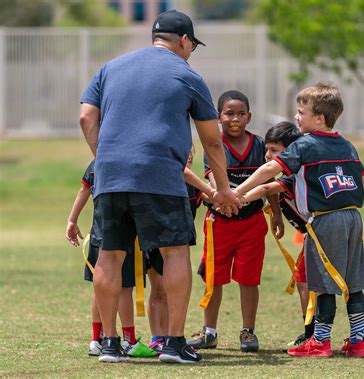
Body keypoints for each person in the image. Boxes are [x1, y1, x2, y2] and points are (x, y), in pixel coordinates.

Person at [79, 9, 241, 364]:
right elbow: (212, 141)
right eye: (190, 46)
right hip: (160, 177)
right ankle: (173, 343)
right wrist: (224, 189)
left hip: (112, 177)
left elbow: (86, 116)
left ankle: (109, 344)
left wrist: (105, 157)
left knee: (110, 254)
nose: (189, 53)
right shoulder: (186, 74)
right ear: (182, 41)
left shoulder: (111, 67)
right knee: (175, 252)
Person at [235, 83, 364, 358]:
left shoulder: (306, 145)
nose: (297, 117)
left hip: (325, 220)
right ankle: (358, 342)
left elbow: (271, 168)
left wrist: (236, 191)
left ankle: (320, 342)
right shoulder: (347, 145)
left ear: (319, 118)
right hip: (353, 217)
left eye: (301, 112)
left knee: (323, 285)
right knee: (353, 282)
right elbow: (362, 178)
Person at [187, 90, 284, 353]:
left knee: (249, 279)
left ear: (249, 116)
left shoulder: (260, 145)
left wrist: (276, 213)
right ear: (219, 117)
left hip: (251, 222)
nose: (235, 119)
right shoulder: (214, 145)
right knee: (213, 279)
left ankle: (248, 332)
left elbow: (269, 182)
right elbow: (211, 180)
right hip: (219, 223)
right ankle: (209, 332)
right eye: (229, 113)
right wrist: (223, 198)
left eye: (241, 114)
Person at [65, 161, 155, 359]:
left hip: (98, 235)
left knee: (101, 287)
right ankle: (129, 340)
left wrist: (72, 220)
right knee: (123, 288)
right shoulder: (131, 160)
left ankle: (97, 340)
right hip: (123, 236)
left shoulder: (97, 162)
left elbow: (84, 190)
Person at [239, 121, 315, 347]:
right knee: (306, 281)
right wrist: (278, 216)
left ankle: (313, 334)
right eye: (266, 150)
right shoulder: (288, 173)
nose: (267, 155)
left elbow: (264, 188)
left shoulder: (295, 174)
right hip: (315, 235)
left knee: (306, 282)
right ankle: (313, 332)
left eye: (274, 150)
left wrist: (235, 198)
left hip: (321, 233)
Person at [147, 149, 212, 354]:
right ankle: (157, 338)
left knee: (171, 291)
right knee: (157, 290)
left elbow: (213, 198)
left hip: (177, 247)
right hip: (155, 242)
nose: (189, 156)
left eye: (190, 153)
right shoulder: (161, 180)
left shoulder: (193, 186)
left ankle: (170, 336)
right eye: (185, 153)